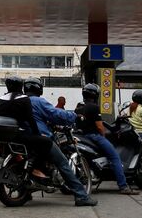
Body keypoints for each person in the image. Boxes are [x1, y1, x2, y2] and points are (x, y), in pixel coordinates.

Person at [24, 77, 97, 207]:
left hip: (23, 137)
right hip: (41, 137)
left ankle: (25, 191)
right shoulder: (38, 101)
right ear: (39, 89)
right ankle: (81, 196)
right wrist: (74, 116)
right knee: (63, 164)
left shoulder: (21, 101)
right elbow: (55, 114)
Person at [78, 83, 139, 195]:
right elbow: (100, 126)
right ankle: (123, 186)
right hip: (94, 136)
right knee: (115, 157)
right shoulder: (94, 107)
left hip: (83, 136)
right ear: (95, 95)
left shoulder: (79, 107)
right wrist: (103, 135)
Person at [0, 76, 51, 179]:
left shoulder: (1, 99)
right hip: (18, 136)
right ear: (21, 86)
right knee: (47, 142)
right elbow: (30, 120)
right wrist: (38, 134)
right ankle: (36, 168)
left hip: (2, 137)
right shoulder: (24, 99)